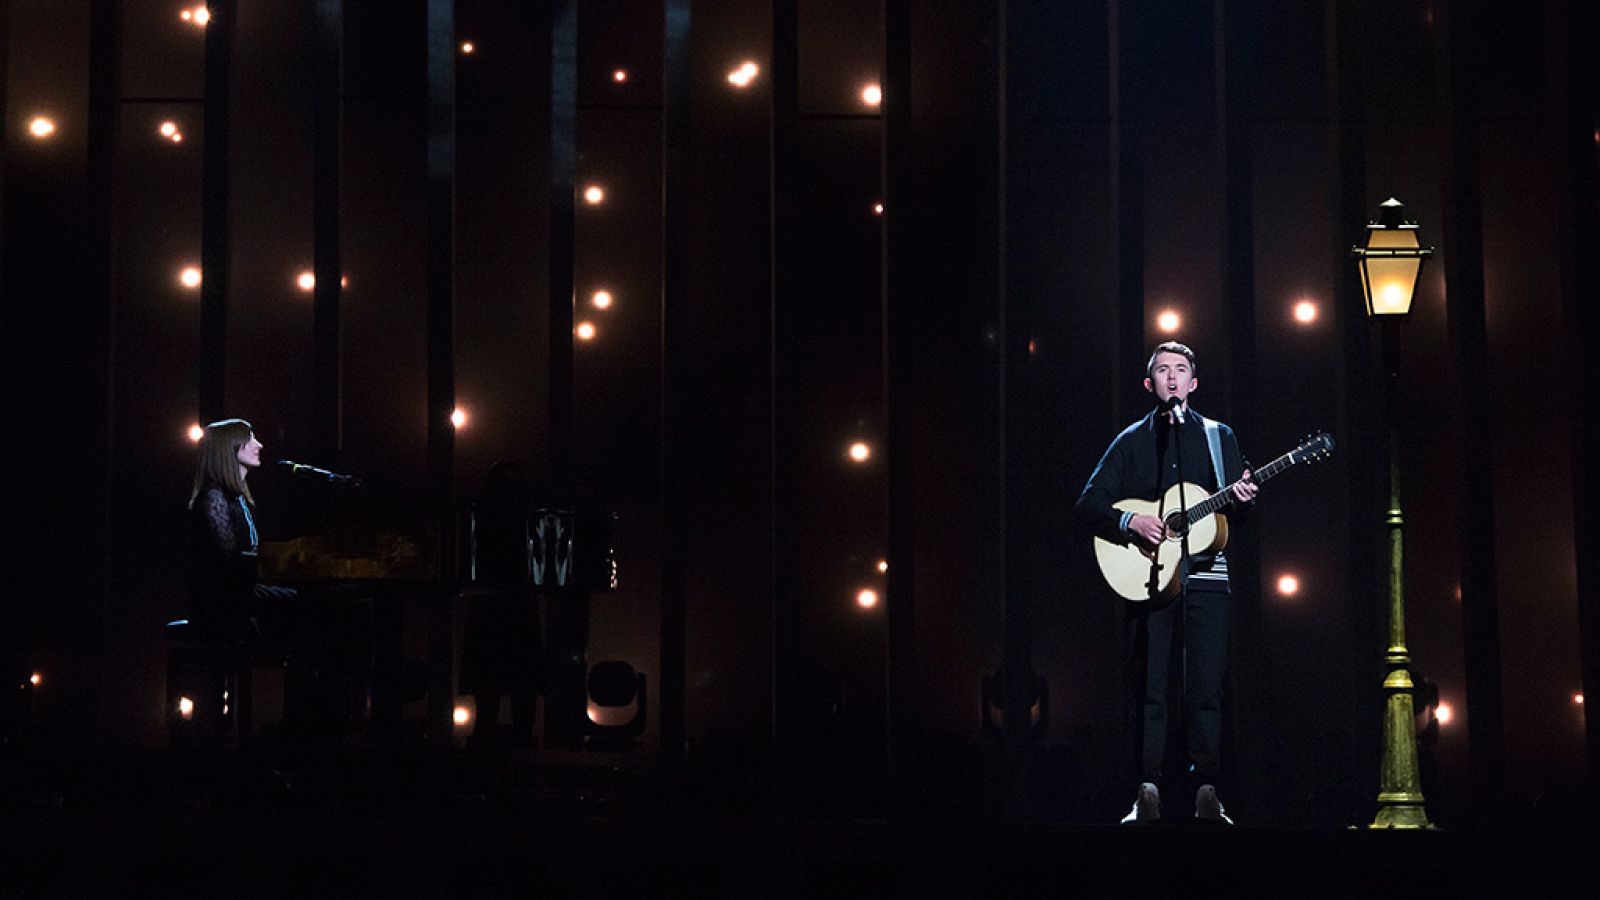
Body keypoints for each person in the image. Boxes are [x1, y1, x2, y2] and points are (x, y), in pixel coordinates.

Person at [1076, 341, 1257, 824]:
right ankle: (1147, 789)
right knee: (1151, 685)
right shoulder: (1131, 440)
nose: (1172, 378)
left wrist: (1240, 497)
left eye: (1181, 370)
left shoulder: (1221, 438)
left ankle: (1207, 790)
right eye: (1162, 370)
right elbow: (1088, 503)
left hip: (1206, 574)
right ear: (1148, 383)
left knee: (1207, 686)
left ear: (1193, 383)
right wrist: (1130, 523)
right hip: (1151, 577)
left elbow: (1235, 519)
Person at [187, 418, 297, 639]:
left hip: (242, 591)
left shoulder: (240, 498)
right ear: (229, 448)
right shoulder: (213, 496)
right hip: (223, 599)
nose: (259, 445)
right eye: (250, 439)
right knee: (303, 604)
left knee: (307, 601)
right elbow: (229, 560)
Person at [459, 461, 543, 747]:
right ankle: (514, 741)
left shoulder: (483, 519)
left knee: (499, 683)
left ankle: (492, 743)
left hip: (497, 608)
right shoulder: (525, 521)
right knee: (505, 683)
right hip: (508, 609)